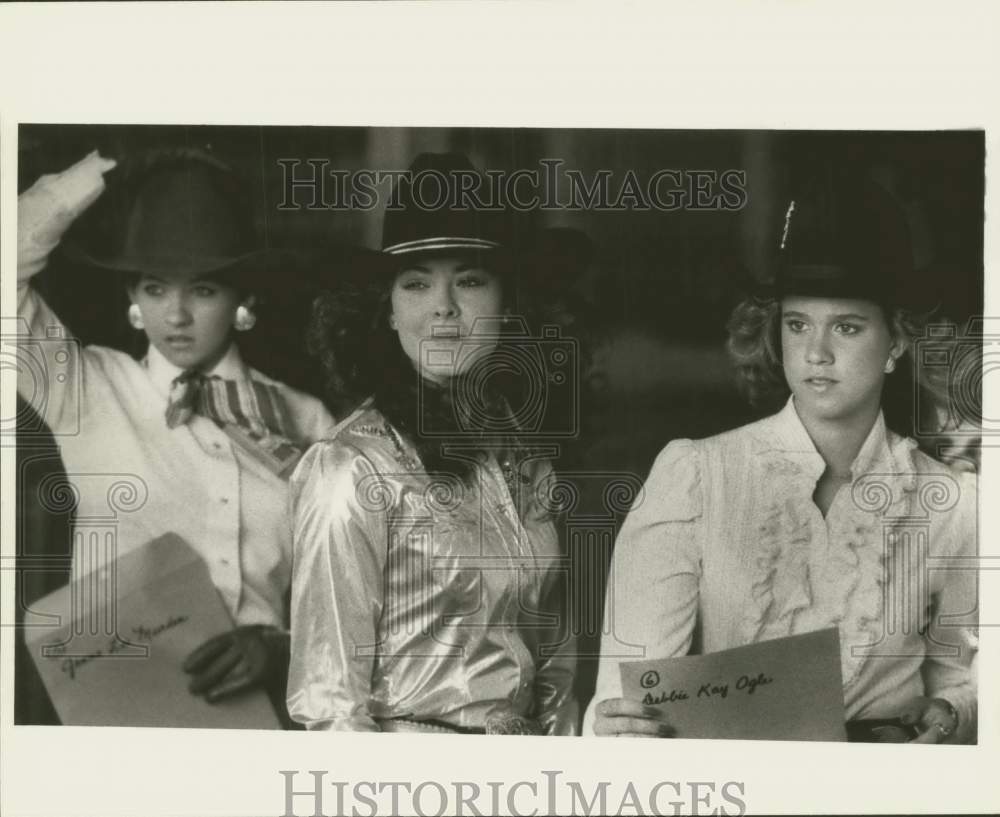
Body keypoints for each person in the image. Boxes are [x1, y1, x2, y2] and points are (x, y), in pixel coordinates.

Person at [584, 179, 978, 743]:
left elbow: (963, 676)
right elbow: (628, 696)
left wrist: (950, 712)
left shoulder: (952, 505)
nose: (816, 352)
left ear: (896, 342)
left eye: (846, 327)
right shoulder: (695, 478)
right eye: (798, 324)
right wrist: (616, 729)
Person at [16, 149, 338, 720]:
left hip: (267, 719)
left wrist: (282, 649)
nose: (177, 315)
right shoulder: (88, 389)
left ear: (245, 299)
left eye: (204, 290)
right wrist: (93, 174)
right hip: (118, 720)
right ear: (133, 299)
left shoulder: (307, 419)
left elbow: (347, 591)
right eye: (156, 288)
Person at [287, 152, 579, 734]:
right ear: (390, 312)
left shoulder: (527, 459)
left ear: (508, 305)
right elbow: (330, 705)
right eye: (416, 283)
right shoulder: (350, 467)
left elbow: (556, 671)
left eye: (469, 280)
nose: (444, 305)